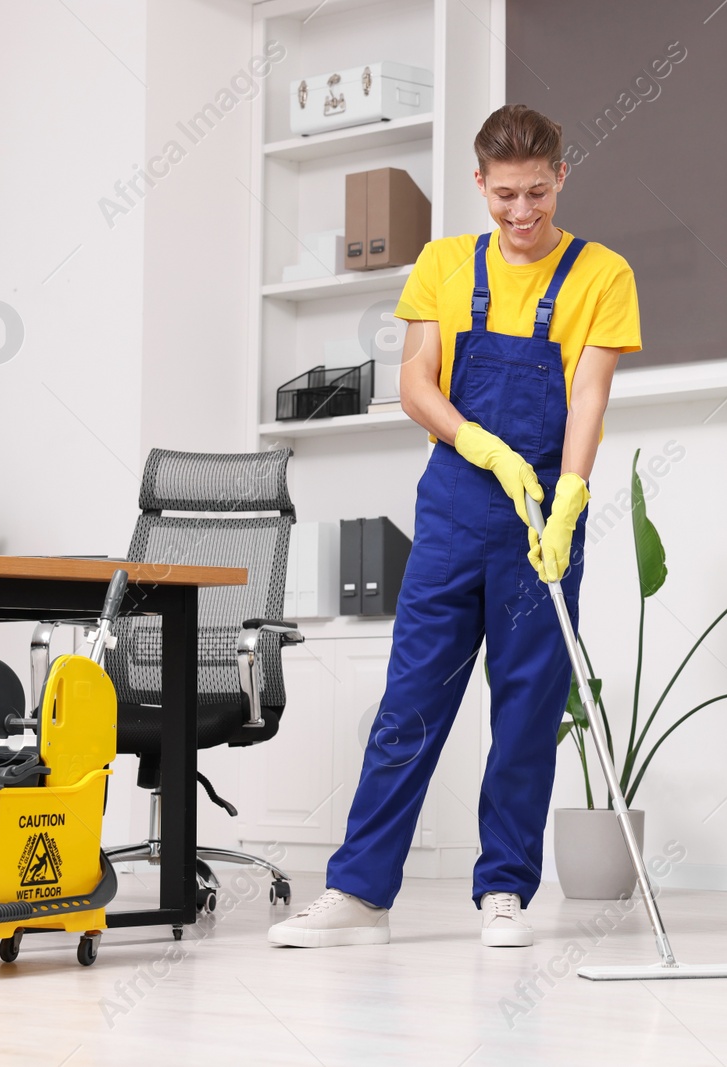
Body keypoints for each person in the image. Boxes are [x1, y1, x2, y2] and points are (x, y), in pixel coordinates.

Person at [269, 104, 641, 949]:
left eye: (537, 193)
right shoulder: (443, 264)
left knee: (525, 709)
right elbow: (416, 384)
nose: (521, 212)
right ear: (479, 184)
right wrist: (479, 442)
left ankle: (502, 889)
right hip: (453, 510)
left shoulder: (602, 274)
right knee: (409, 704)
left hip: (541, 519)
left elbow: (587, 393)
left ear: (562, 178)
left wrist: (572, 494)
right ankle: (359, 892)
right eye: (505, 194)